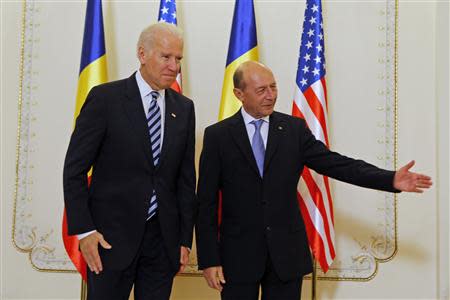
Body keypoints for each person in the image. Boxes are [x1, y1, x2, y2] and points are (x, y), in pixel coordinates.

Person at [195, 61, 432, 300]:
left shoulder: (293, 130)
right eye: (261, 90)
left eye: (273, 87)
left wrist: (389, 179)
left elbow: (337, 164)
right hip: (238, 258)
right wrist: (209, 260)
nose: (271, 96)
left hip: (286, 256)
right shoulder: (218, 136)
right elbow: (205, 203)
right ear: (239, 94)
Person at [63, 23, 196, 300]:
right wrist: (85, 231)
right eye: (166, 56)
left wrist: (184, 239)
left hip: (163, 244)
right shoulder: (105, 99)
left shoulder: (184, 108)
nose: (174, 66)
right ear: (142, 54)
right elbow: (74, 170)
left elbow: (185, 180)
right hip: (109, 241)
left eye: (178, 59)